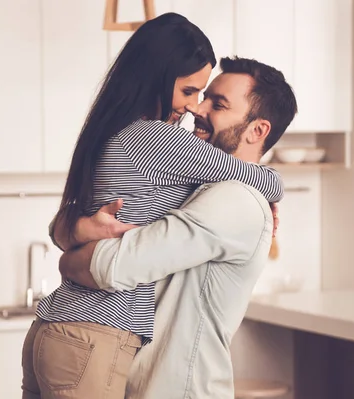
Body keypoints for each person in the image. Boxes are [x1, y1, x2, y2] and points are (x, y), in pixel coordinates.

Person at [21, 12, 286, 399]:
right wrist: (274, 189)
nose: (195, 107)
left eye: (212, 99)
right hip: (93, 333)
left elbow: (83, 223)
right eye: (192, 92)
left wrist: (70, 233)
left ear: (258, 129)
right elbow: (263, 178)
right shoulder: (159, 141)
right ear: (159, 78)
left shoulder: (123, 131)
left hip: (66, 331)